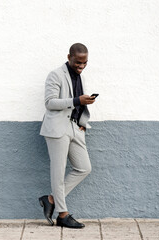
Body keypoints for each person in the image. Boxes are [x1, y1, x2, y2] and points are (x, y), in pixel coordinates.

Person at [38, 43, 96, 228]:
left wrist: (82, 123)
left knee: (84, 168)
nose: (81, 66)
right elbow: (50, 102)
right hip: (57, 129)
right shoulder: (55, 75)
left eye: (85, 63)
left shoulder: (81, 76)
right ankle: (62, 215)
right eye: (78, 62)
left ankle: (50, 199)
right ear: (69, 56)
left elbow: (78, 104)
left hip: (75, 128)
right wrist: (77, 100)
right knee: (58, 170)